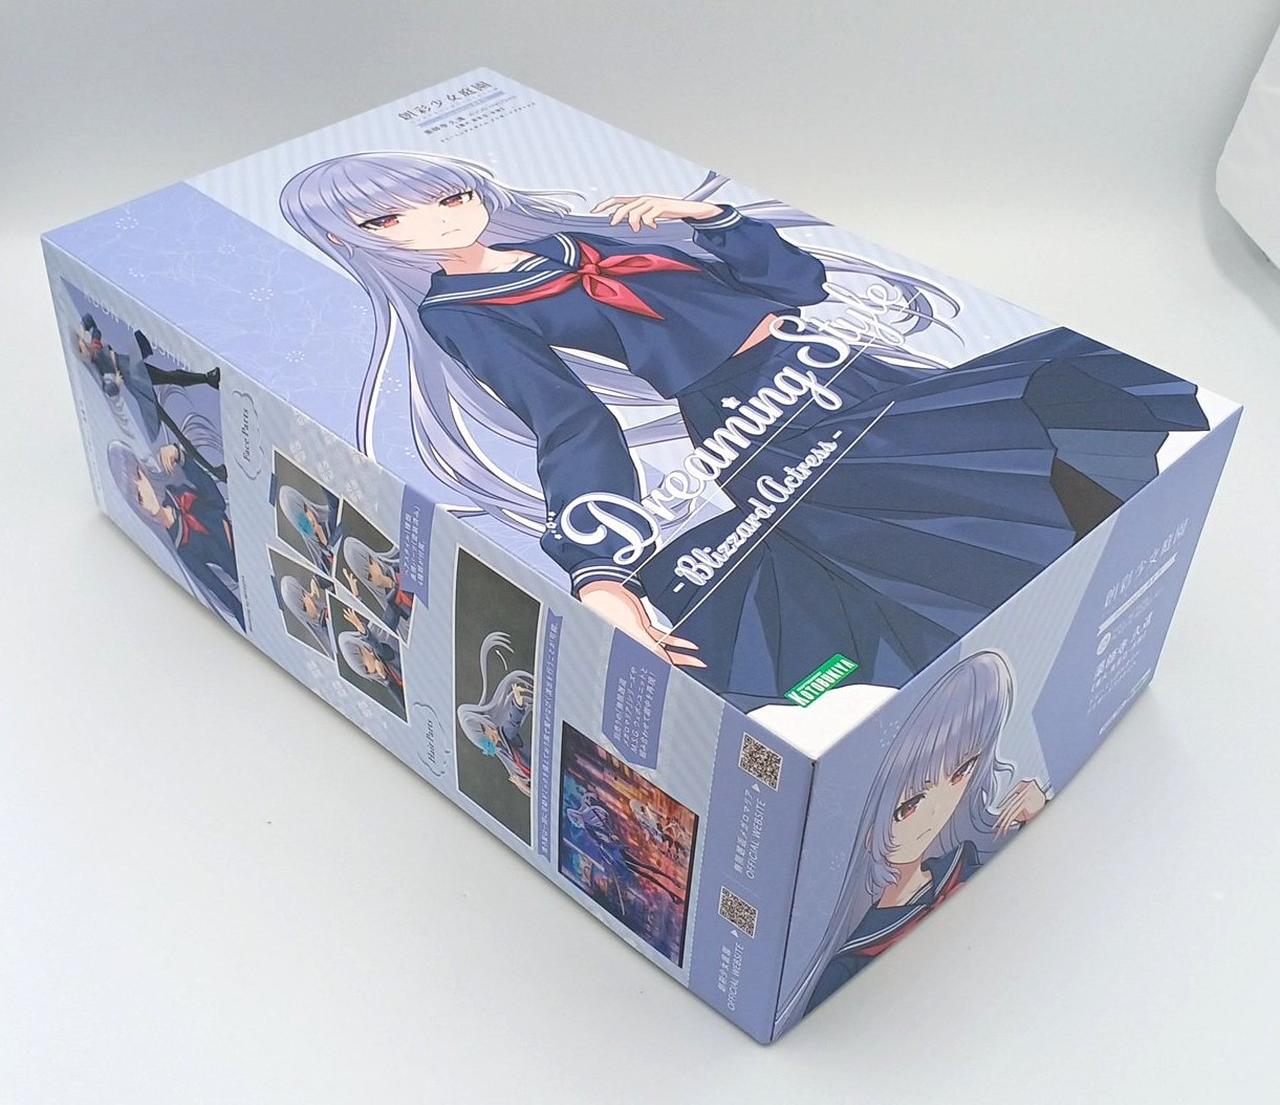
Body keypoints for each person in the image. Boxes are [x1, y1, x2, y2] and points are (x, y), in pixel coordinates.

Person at [282, 151, 1209, 712]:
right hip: (757, 422)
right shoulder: (463, 310)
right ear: (357, 239)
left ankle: (1088, 644)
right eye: (388, 217)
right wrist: (600, 573)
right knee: (946, 547)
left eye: (446, 194)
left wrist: (711, 220)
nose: (437, 220)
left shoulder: (572, 234)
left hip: (844, 368)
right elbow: (570, 419)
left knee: (1039, 453)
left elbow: (796, 285)